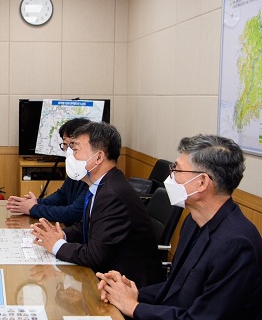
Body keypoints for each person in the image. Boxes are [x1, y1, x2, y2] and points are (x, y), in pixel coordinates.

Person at [56, 135, 262, 320]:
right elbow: (175, 289)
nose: (170, 177)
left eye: (177, 170)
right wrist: (133, 292)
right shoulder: (196, 223)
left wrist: (133, 307)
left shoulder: (238, 243)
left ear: (202, 182)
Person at [30, 121, 164, 288]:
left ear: (99, 157)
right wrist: (61, 235)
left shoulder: (111, 194)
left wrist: (56, 245)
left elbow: (95, 255)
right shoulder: (104, 184)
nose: (71, 156)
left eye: (75, 149)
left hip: (132, 288)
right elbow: (86, 226)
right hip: (110, 277)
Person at [6, 118, 90, 226]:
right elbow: (62, 195)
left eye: (73, 145)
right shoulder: (75, 171)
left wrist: (34, 208)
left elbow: (73, 213)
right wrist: (36, 202)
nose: (68, 150)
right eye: (65, 144)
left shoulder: (93, 177)